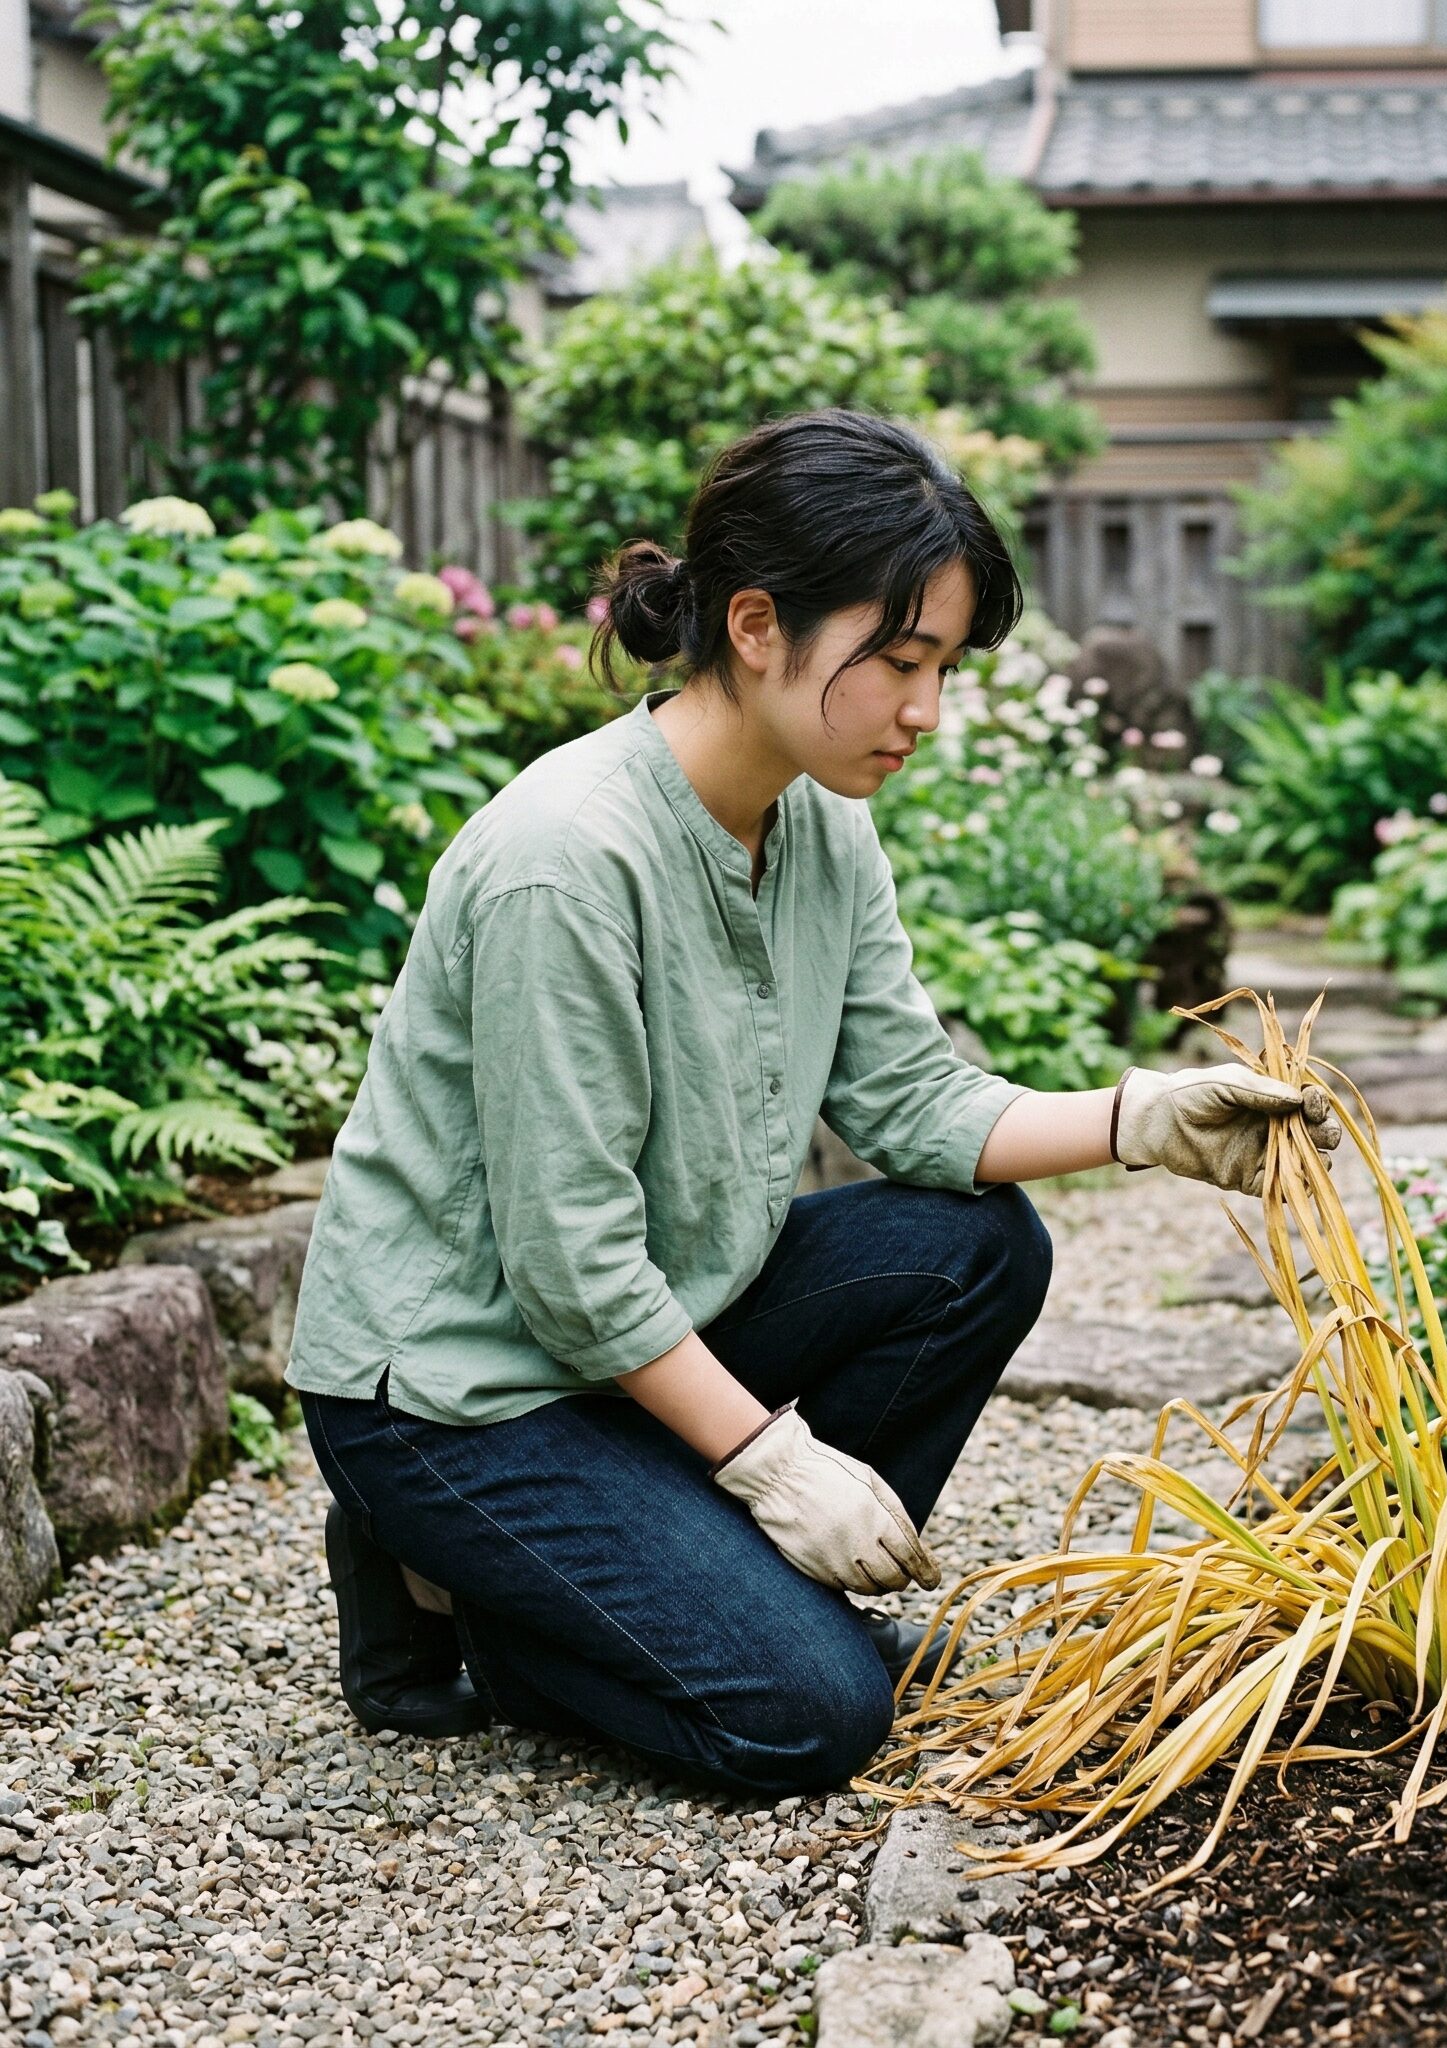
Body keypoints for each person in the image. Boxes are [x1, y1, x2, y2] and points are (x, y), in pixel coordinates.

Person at [287, 409, 1340, 1798]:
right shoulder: (567, 862)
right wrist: (775, 1466)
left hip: (627, 1336)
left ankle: (651, 1567)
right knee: (811, 1719)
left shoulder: (819, 821)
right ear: (758, 626)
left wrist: (1143, 1119)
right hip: (460, 1384)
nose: (926, 711)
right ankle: (450, 1588)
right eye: (898, 662)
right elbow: (568, 1268)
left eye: (946, 667)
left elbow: (913, 1103)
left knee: (978, 1246)